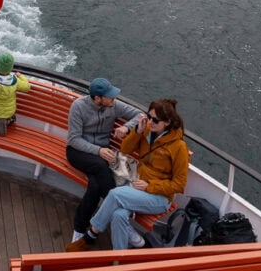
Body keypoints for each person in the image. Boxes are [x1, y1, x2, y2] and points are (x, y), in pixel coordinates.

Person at [66, 98, 190, 251]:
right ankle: (119, 258)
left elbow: (179, 184)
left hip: (159, 197)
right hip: (136, 185)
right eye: (149, 117)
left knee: (114, 194)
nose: (150, 122)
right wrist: (137, 132)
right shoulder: (146, 130)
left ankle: (91, 235)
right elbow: (125, 149)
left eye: (155, 120)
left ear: (168, 122)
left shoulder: (179, 147)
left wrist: (150, 186)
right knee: (118, 215)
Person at [65, 77, 143, 242]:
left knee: (96, 185)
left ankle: (79, 228)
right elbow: (74, 139)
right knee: (101, 166)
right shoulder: (78, 107)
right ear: (97, 98)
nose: (114, 99)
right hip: (78, 151)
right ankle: (121, 210)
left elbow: (139, 115)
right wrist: (98, 150)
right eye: (110, 96)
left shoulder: (113, 105)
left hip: (102, 154)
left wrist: (125, 127)